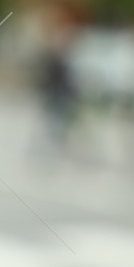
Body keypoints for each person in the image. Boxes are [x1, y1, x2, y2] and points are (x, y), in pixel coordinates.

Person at [34, 13, 77, 159]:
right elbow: (47, 77)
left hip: (61, 96)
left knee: (59, 123)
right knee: (51, 123)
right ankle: (52, 146)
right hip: (53, 95)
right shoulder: (53, 58)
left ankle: (58, 145)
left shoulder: (63, 59)